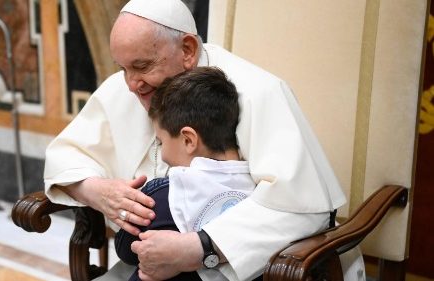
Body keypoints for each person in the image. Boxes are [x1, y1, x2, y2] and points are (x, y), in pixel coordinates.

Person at [43, 0, 363, 280]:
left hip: (247, 269)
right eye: (123, 68)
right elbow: (65, 155)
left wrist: (200, 248)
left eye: (141, 66)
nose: (130, 84)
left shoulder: (258, 92)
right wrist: (96, 191)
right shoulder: (125, 87)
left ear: (187, 50)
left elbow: (302, 209)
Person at [115, 67, 256, 281]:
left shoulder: (164, 196)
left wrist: (132, 203)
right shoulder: (260, 188)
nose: (161, 155)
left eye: (161, 142)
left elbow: (125, 249)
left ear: (188, 140)